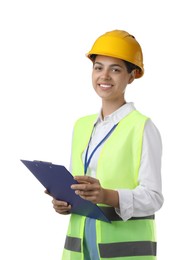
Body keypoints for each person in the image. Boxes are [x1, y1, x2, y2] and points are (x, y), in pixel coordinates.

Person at [49, 29, 164, 260]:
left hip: (123, 251)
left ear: (131, 76)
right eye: (98, 67)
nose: (104, 76)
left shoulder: (142, 127)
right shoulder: (81, 126)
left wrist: (106, 196)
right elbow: (76, 184)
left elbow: (154, 198)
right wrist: (64, 201)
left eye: (115, 69)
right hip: (80, 248)